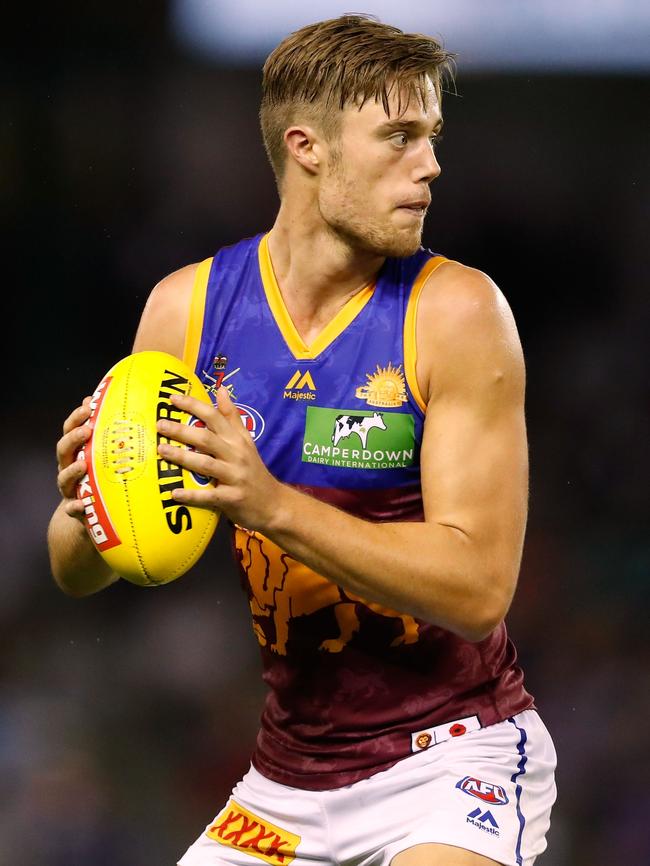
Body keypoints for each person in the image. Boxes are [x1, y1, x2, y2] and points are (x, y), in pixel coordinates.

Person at [48, 14, 556, 866]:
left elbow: (478, 591)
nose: (429, 164)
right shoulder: (188, 310)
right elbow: (77, 567)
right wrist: (88, 497)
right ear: (307, 147)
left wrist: (271, 505)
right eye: (398, 135)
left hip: (452, 757)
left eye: (431, 135)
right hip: (285, 783)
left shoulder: (459, 313)